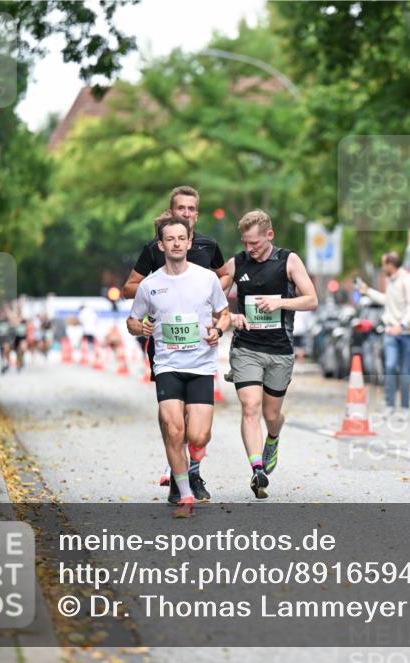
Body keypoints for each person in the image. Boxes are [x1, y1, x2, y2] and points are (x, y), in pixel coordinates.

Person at [121, 187, 229, 503]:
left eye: (191, 208)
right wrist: (155, 298)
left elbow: (224, 282)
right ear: (170, 214)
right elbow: (131, 291)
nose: (186, 213)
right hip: (164, 351)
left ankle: (190, 469)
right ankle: (180, 482)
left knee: (197, 432)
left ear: (197, 215)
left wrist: (205, 298)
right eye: (180, 208)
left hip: (200, 352)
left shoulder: (208, 249)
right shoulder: (154, 257)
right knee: (173, 423)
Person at [220, 210, 318, 498]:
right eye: (245, 243)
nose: (250, 249)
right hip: (246, 348)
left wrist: (281, 303)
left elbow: (312, 299)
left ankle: (272, 438)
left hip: (280, 350)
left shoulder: (288, 260)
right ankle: (257, 469)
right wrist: (230, 315)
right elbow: (211, 294)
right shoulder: (237, 263)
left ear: (269, 236)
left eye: (255, 243)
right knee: (250, 406)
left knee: (270, 413)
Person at [358, 251, 410, 416]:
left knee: (405, 370)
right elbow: (388, 300)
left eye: (383, 264)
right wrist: (368, 291)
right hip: (390, 331)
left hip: (408, 333)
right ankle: (390, 405)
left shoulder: (406, 280)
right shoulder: (390, 280)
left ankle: (405, 407)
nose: (382, 267)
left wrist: (402, 325)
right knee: (390, 366)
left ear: (390, 265)